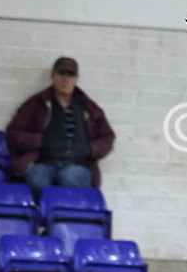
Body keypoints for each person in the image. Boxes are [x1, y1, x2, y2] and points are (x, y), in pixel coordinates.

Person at [7, 56, 116, 195]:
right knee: (37, 180)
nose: (66, 79)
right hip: (42, 162)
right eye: (61, 73)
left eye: (70, 74)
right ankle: (44, 214)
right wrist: (36, 142)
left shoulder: (88, 106)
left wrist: (90, 149)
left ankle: (67, 215)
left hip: (77, 165)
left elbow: (108, 137)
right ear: (52, 76)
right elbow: (13, 132)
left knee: (70, 179)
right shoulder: (37, 103)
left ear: (76, 79)